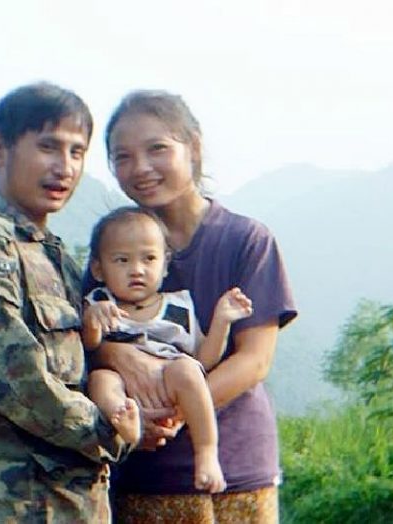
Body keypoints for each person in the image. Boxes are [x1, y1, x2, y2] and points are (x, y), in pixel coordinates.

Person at [84, 90, 298, 523]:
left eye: (157, 148)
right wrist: (115, 358)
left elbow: (255, 361)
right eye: (122, 156)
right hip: (144, 469)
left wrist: (176, 412)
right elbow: (87, 341)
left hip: (234, 469)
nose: (140, 168)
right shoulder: (113, 246)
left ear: (194, 147)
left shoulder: (246, 241)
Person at [0, 82, 139, 523]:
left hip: (71, 501)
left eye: (77, 152)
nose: (64, 167)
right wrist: (106, 429)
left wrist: (133, 410)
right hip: (12, 504)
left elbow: (81, 364)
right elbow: (8, 374)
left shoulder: (56, 254)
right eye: (48, 147)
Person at [82, 206, 254, 494]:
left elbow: (204, 359)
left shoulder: (178, 307)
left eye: (148, 259)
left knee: (188, 369)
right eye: (122, 260)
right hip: (123, 385)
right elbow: (87, 347)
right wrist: (92, 320)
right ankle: (126, 425)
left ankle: (207, 453)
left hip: (169, 375)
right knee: (102, 380)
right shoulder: (99, 302)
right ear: (98, 269)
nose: (137, 270)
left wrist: (222, 320)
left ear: (164, 265)